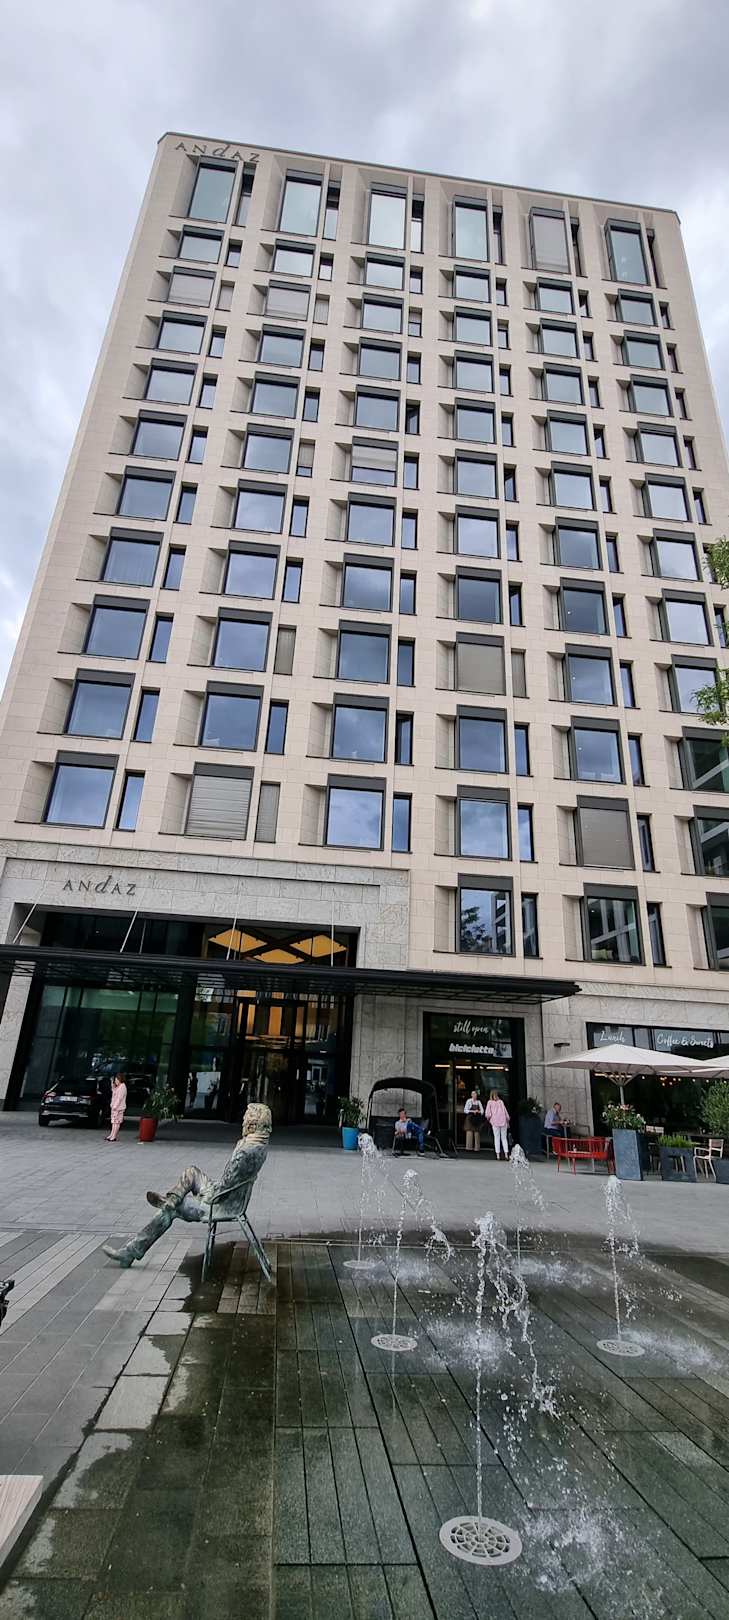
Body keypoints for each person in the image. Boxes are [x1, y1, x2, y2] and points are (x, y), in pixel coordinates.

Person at [103, 1102, 272, 1267]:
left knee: (169, 1211)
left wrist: (206, 1195)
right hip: (227, 1196)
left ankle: (132, 1251)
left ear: (253, 1123)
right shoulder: (258, 1145)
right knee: (191, 1172)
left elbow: (226, 1187)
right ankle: (171, 1199)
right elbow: (229, 1183)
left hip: (220, 1204)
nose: (243, 1122)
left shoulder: (245, 1152)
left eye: (246, 1119)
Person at [485, 1089, 510, 1160]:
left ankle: (498, 1155)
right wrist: (507, 1120)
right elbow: (505, 1112)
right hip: (503, 1122)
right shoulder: (501, 1102)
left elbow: (488, 1114)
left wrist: (489, 1119)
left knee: (497, 1138)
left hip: (495, 1122)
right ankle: (506, 1155)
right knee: (504, 1138)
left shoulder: (489, 1102)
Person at [106, 1073, 127, 1142]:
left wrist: (115, 1106)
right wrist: (113, 1086)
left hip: (119, 1107)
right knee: (113, 1122)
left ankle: (114, 1136)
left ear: (120, 1079)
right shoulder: (119, 1086)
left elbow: (119, 1098)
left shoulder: (122, 1087)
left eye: (116, 1080)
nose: (115, 1081)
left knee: (116, 1122)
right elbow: (114, 1092)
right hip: (115, 1107)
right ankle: (111, 1135)